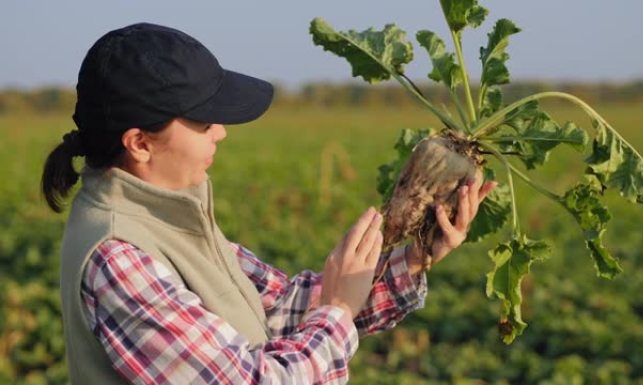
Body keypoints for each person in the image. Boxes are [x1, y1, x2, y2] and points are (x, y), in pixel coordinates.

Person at [41, 23, 496, 385]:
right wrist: (337, 310)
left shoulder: (171, 213)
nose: (220, 130)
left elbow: (280, 309)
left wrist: (414, 259)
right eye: (203, 121)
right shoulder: (118, 257)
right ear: (139, 142)